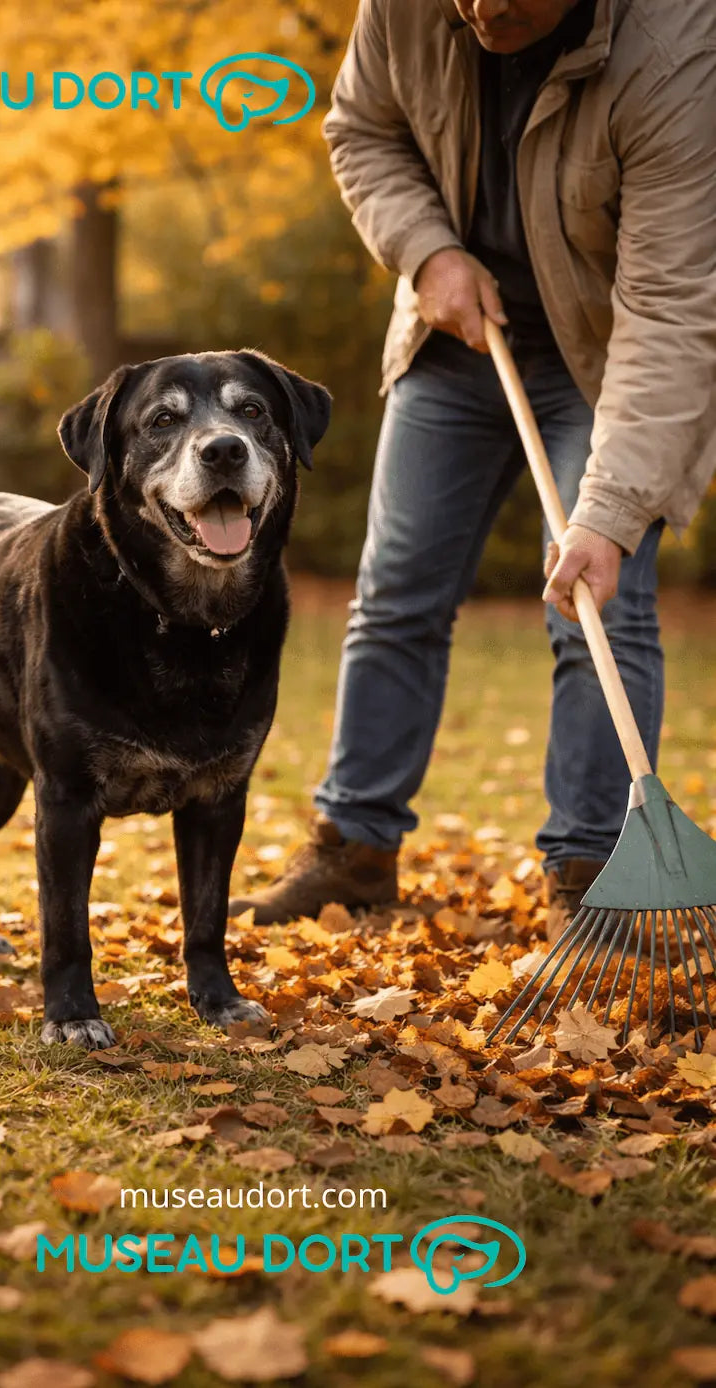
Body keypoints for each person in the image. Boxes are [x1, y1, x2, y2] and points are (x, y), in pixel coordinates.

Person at [229, 0, 716, 940]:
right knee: (396, 594)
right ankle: (353, 850)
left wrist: (608, 515)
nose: (486, 7)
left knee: (596, 600)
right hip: (458, 336)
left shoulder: (673, 48)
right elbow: (363, 128)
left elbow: (668, 308)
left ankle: (591, 874)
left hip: (604, 353)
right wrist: (427, 251)